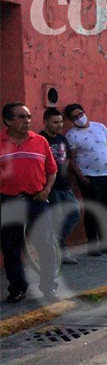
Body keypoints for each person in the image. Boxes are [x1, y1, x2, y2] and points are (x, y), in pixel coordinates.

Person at [1, 102, 59, 303]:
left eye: (28, 117)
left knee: (45, 245)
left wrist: (47, 190)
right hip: (8, 202)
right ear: (8, 120)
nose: (26, 121)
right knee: (11, 247)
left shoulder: (40, 141)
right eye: (21, 117)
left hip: (37, 200)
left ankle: (49, 287)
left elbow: (52, 170)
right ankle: (17, 287)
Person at [64, 103, 107, 256]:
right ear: (70, 120)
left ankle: (105, 242)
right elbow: (71, 159)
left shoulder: (100, 127)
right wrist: (81, 177)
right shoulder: (72, 135)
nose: (79, 118)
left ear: (84, 112)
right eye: (74, 117)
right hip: (89, 177)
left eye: (80, 114)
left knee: (105, 209)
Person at [39, 108, 81, 265]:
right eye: (55, 122)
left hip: (65, 185)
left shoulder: (62, 139)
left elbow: (68, 158)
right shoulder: (40, 140)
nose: (59, 125)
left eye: (61, 122)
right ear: (45, 122)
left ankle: (59, 241)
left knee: (74, 213)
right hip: (50, 187)